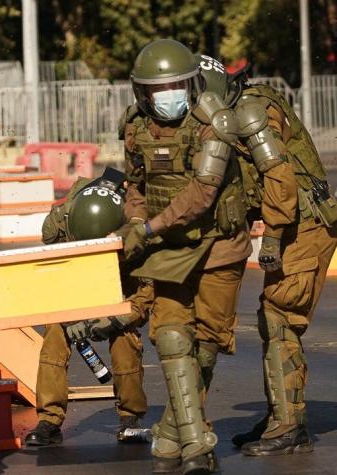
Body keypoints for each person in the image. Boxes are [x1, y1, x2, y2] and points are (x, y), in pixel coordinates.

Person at [118, 39, 251, 475]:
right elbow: (134, 186)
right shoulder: (136, 126)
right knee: (172, 337)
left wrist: (149, 228)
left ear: (191, 84)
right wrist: (136, 221)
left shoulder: (215, 122)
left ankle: (174, 432)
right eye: (158, 88)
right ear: (143, 92)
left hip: (218, 246)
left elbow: (201, 195)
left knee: (207, 346)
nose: (167, 95)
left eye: (175, 85)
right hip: (170, 251)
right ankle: (197, 444)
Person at [199, 55, 337, 455]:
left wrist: (273, 239)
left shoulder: (251, 113)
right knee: (272, 318)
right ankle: (282, 411)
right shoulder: (238, 111)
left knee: (280, 319)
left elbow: (280, 179)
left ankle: (288, 425)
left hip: (305, 224)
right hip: (296, 221)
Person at [24, 169, 151, 447]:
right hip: (76, 278)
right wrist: (65, 310)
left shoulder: (139, 229)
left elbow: (148, 293)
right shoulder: (63, 222)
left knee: (125, 340)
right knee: (55, 334)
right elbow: (50, 267)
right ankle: (49, 420)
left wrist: (115, 320)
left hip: (121, 286)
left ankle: (130, 418)